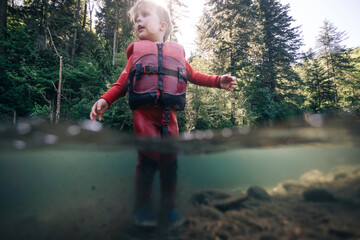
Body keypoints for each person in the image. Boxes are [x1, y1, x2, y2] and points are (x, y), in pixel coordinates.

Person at [90, 0, 236, 228]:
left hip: (170, 118)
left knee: (170, 162)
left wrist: (218, 81)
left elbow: (195, 75)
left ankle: (168, 208)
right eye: (136, 19)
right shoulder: (135, 55)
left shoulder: (176, 53)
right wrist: (104, 99)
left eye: (145, 15)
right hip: (144, 116)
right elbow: (121, 84)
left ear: (162, 25)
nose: (138, 20)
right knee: (149, 157)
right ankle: (143, 208)